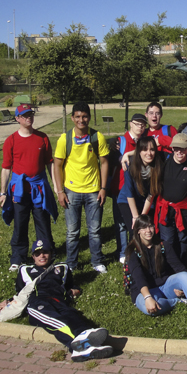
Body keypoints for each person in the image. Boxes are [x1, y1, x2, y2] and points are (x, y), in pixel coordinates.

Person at [0, 239, 113, 362]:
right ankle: (80, 343)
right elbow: (21, 292)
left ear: (51, 253)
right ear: (33, 257)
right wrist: (8, 301)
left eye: (45, 252)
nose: (42, 256)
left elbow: (70, 286)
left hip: (59, 300)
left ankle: (84, 345)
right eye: (38, 253)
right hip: (38, 301)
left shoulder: (62, 268)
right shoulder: (25, 270)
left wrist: (76, 291)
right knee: (55, 319)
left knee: (72, 315)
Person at [125, 216, 187, 331]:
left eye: (150, 226)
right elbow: (138, 276)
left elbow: (179, 268)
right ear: (138, 231)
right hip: (143, 291)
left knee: (183, 276)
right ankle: (175, 302)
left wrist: (183, 287)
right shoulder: (132, 250)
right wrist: (147, 297)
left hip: (164, 286)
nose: (148, 231)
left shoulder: (163, 245)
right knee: (150, 309)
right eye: (143, 228)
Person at [0, 104, 57, 272]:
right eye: (24, 115)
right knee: (20, 224)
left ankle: (45, 255)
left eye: (30, 114)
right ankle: (18, 257)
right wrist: (3, 193)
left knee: (43, 224)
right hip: (19, 191)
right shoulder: (11, 140)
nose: (28, 117)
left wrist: (56, 187)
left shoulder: (42, 138)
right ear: (17, 118)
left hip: (39, 190)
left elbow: (49, 164)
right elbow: (6, 167)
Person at [53, 102, 110, 273]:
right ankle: (71, 263)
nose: (81, 120)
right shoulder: (65, 139)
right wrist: (60, 191)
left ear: (89, 118)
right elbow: (57, 166)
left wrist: (103, 188)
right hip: (71, 192)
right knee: (72, 232)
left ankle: (97, 261)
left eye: (84, 116)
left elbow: (105, 162)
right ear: (72, 118)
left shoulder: (97, 137)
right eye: (77, 116)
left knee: (95, 230)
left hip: (93, 191)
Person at [153, 133, 187, 264]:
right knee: (167, 240)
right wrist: (126, 155)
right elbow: (145, 149)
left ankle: (184, 264)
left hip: (183, 210)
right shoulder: (164, 159)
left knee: (184, 238)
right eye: (176, 148)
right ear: (172, 148)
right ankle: (169, 265)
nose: (179, 152)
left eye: (183, 148)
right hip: (165, 209)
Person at [110, 113, 147, 263]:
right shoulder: (121, 141)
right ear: (130, 124)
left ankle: (136, 250)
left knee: (134, 222)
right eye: (137, 123)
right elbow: (111, 158)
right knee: (120, 224)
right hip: (120, 189)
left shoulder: (144, 142)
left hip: (137, 190)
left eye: (142, 124)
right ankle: (123, 251)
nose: (140, 127)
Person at [118, 136, 163, 234]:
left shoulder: (158, 165)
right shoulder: (130, 164)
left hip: (147, 202)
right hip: (127, 200)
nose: (149, 153)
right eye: (145, 150)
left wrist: (142, 217)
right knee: (135, 231)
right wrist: (135, 217)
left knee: (147, 231)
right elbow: (129, 192)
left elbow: (151, 194)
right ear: (139, 151)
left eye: (152, 150)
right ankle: (133, 249)